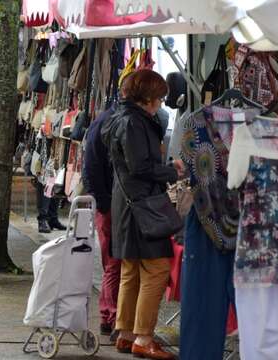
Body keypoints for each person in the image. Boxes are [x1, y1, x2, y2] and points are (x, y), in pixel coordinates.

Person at [105, 69, 184, 360]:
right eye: (160, 97)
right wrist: (170, 172)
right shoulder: (134, 123)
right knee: (156, 269)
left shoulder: (119, 119)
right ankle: (143, 337)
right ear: (148, 97)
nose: (162, 103)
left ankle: (125, 333)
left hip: (127, 205)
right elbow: (140, 167)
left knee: (132, 270)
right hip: (142, 206)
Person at [82, 103, 121, 340]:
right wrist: (105, 203)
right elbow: (92, 168)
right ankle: (110, 315)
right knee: (114, 262)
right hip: (109, 204)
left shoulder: (107, 120)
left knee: (113, 262)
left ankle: (109, 315)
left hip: (109, 202)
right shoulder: (108, 122)